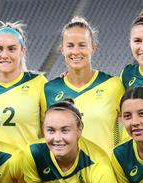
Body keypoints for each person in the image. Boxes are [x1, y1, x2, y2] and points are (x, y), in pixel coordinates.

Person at [43, 17, 124, 153]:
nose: (76, 51)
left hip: (105, 171)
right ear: (62, 49)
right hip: (64, 173)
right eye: (70, 45)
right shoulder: (49, 90)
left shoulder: (114, 86)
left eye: (82, 45)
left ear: (93, 48)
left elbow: (127, 133)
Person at [0, 21, 47, 150]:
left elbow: (51, 130)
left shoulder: (38, 82)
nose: (4, 55)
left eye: (12, 49)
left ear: (22, 51)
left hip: (26, 167)